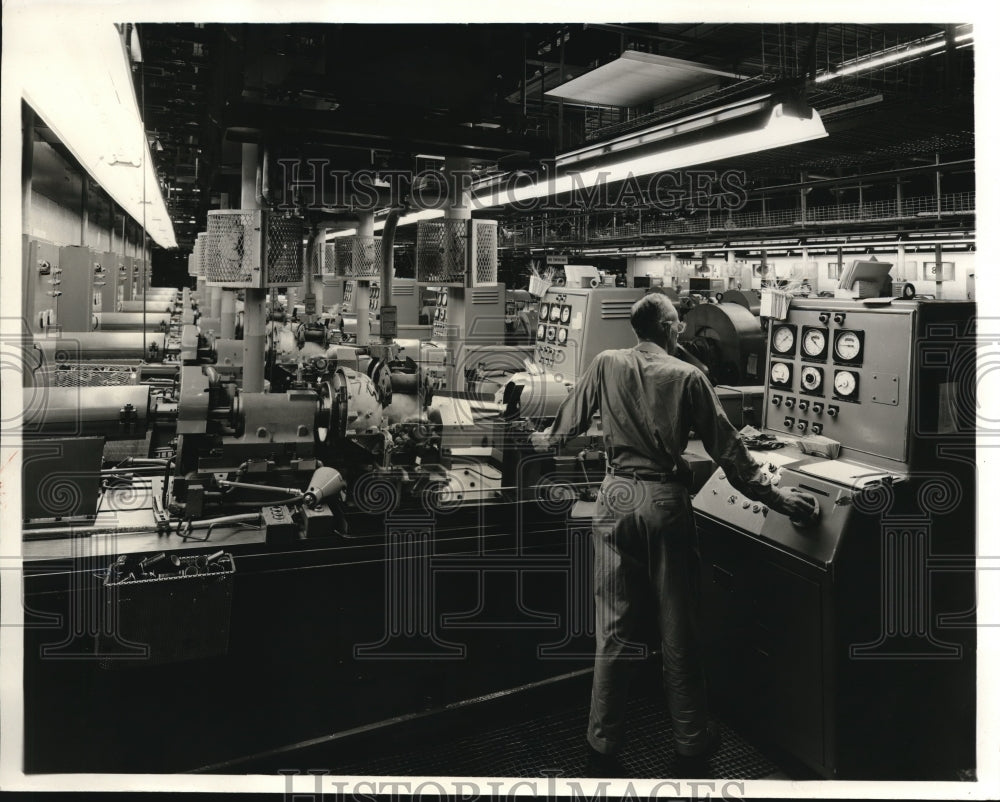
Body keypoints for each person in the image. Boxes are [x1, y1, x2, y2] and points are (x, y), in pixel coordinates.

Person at [531, 293, 817, 777]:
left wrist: (534, 435)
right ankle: (690, 740)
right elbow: (730, 453)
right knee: (677, 627)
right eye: (677, 324)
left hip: (615, 497)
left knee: (614, 630)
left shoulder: (604, 362)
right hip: (664, 501)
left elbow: (560, 430)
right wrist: (779, 499)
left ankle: (601, 742)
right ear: (668, 327)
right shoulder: (688, 377)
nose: (682, 329)